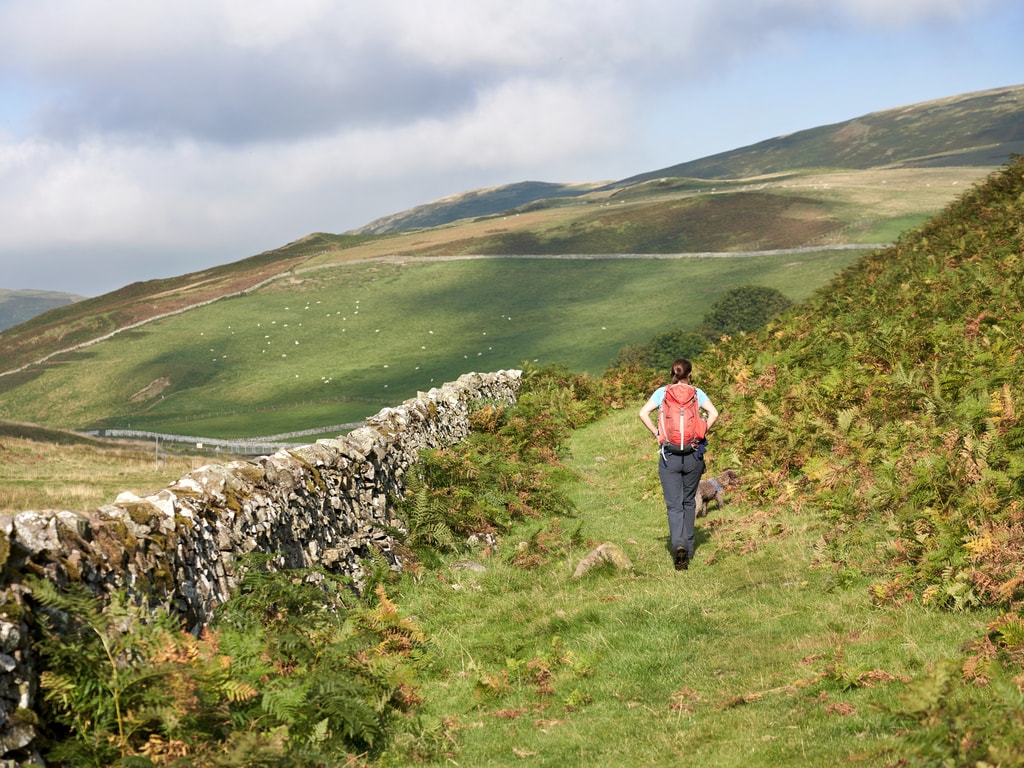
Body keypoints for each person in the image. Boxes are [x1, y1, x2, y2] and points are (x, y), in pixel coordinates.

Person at [638, 358, 719, 571]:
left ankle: (678, 544)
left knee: (674, 505)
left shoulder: (662, 393)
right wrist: (702, 432)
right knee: (689, 502)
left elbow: (642, 413)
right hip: (693, 456)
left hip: (669, 457)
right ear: (689, 374)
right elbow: (714, 413)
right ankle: (689, 549)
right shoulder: (697, 393)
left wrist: (657, 433)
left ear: (672, 373)